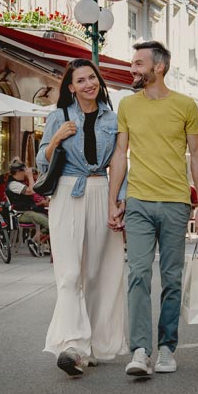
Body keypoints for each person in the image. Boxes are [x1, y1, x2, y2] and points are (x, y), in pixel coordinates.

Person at [108, 41, 198, 378]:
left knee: (171, 279)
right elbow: (120, 154)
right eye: (132, 64)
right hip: (138, 201)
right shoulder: (127, 106)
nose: (132, 69)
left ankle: (166, 348)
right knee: (137, 274)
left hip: (177, 203)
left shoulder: (185, 105)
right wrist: (113, 200)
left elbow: (197, 155)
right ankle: (139, 349)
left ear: (158, 67)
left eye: (138, 64)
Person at [37, 59, 127, 377]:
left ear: (98, 82)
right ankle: (71, 345)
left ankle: (90, 346)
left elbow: (119, 161)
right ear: (71, 87)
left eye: (92, 77)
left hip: (102, 189)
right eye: (81, 80)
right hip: (66, 191)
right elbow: (41, 160)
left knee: (97, 274)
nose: (88, 83)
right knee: (69, 273)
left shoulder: (113, 119)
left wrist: (119, 200)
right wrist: (57, 139)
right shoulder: (57, 117)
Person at [5, 162, 49, 247]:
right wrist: (30, 176)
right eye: (25, 171)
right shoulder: (13, 184)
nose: (26, 173)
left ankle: (36, 243)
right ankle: (33, 242)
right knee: (49, 224)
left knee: (51, 222)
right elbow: (31, 191)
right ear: (18, 171)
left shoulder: (19, 183)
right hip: (22, 214)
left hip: (28, 212)